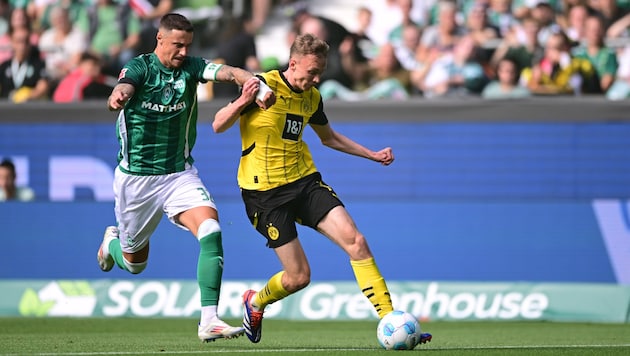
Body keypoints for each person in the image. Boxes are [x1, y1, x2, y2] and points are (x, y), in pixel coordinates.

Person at [212, 33, 432, 346]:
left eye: (320, 74)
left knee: (356, 241)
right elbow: (218, 125)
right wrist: (243, 100)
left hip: (304, 182)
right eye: (310, 72)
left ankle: (390, 318)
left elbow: (329, 138)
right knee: (299, 278)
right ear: (292, 64)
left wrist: (371, 154)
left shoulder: (312, 97)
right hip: (265, 195)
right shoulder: (263, 85)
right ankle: (256, 301)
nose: (315, 79)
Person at [96, 13, 275, 343]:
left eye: (187, 46)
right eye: (177, 45)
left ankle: (209, 320)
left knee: (211, 229)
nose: (182, 52)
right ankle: (112, 243)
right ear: (160, 40)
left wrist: (254, 83)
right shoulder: (141, 68)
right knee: (135, 265)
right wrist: (117, 96)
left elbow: (228, 72)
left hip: (179, 173)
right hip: (137, 180)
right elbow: (123, 86)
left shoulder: (192, 68)